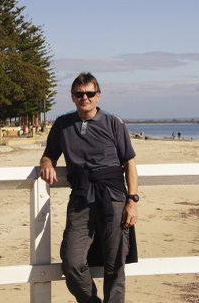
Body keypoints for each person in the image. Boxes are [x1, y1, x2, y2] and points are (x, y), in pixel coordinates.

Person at [40, 72, 139, 303]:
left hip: (113, 197)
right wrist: (46, 164)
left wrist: (132, 200)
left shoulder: (114, 123)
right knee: (72, 262)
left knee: (115, 264)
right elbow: (49, 155)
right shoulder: (63, 125)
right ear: (73, 97)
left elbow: (129, 164)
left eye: (89, 93)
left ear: (98, 96)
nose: (85, 97)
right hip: (81, 198)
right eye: (79, 93)